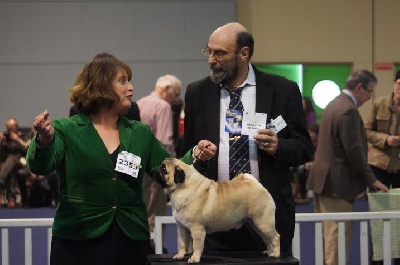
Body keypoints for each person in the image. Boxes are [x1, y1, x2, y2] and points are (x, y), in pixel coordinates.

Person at [26, 53, 216, 265]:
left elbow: (169, 168)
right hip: (78, 240)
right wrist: (44, 140)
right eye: (122, 81)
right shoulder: (66, 129)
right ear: (100, 87)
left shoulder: (140, 132)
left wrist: (196, 154)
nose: (131, 88)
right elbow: (40, 166)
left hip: (130, 239)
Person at [182, 22, 314, 258]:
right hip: (214, 220)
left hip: (265, 214)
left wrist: (278, 146)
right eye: (209, 51)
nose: (211, 60)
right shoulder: (197, 93)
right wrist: (196, 154)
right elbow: (187, 152)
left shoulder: (283, 90)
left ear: (244, 54)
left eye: (220, 53)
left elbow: (304, 148)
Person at [307, 69, 389, 265]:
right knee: (337, 242)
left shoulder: (333, 104)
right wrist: (372, 180)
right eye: (369, 92)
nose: (369, 98)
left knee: (328, 240)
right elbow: (355, 151)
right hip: (337, 186)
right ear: (359, 87)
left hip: (323, 183)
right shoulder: (348, 110)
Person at [137, 74, 182, 234]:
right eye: (176, 94)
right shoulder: (163, 106)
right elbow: (165, 141)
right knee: (156, 212)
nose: (177, 100)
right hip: (156, 167)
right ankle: (156, 248)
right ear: (167, 89)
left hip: (137, 164)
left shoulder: (139, 103)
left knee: (141, 206)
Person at [364, 70, 400, 265]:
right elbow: (367, 131)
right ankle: (376, 260)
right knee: (377, 218)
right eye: (399, 84)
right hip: (379, 166)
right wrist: (386, 139)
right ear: (394, 84)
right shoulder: (379, 104)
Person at [0, 117, 32, 208]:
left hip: (23, 161)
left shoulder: (25, 134)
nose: (9, 130)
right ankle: (11, 199)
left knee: (12, 159)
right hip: (10, 164)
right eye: (8, 128)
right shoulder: (5, 136)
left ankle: (1, 179)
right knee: (11, 168)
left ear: (16, 126)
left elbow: (28, 149)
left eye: (11, 128)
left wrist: (17, 140)